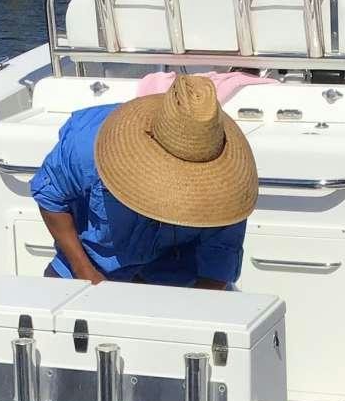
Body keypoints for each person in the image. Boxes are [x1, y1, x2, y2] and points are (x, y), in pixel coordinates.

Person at [30, 74, 259, 291]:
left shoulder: (231, 186)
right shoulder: (87, 142)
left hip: (175, 275)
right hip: (90, 265)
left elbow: (220, 255)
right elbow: (51, 197)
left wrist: (192, 311)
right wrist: (85, 273)